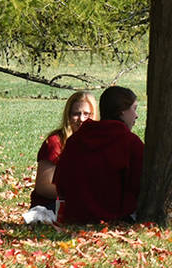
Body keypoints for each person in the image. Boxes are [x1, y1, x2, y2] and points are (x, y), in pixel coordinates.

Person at [54, 85, 143, 224]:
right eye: (134, 109)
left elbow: (61, 182)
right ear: (122, 112)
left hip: (75, 217)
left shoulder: (76, 140)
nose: (136, 115)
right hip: (115, 218)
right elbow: (140, 185)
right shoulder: (130, 143)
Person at [30, 91, 97, 214]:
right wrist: (77, 193)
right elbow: (43, 186)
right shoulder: (55, 142)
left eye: (87, 114)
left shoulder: (98, 141)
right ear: (68, 115)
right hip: (50, 205)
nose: (81, 119)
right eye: (76, 114)